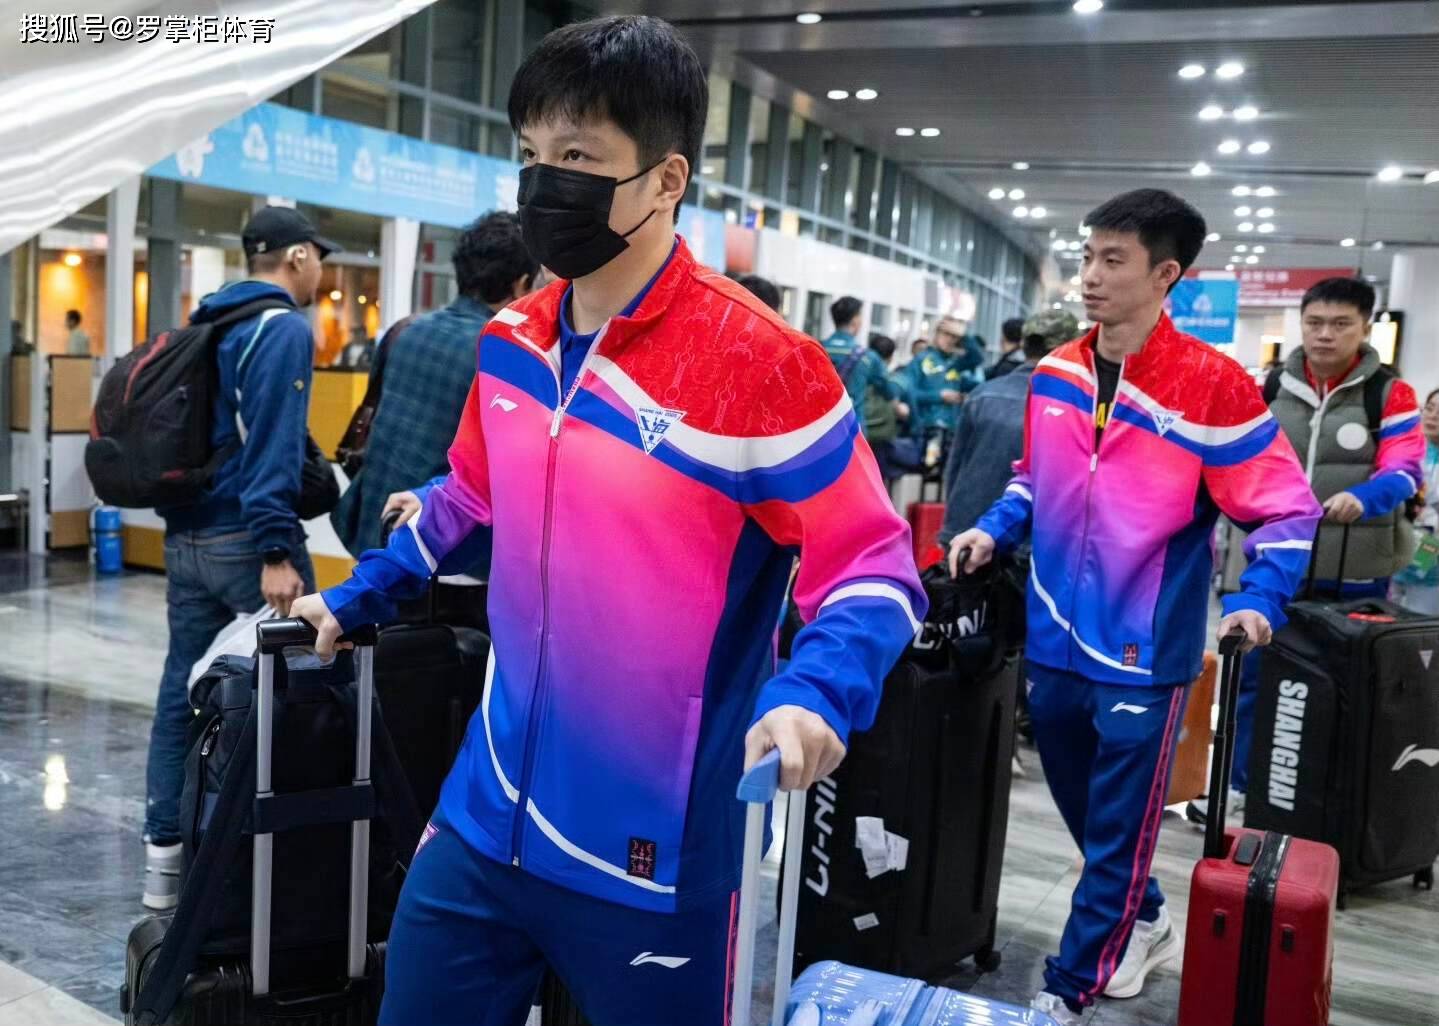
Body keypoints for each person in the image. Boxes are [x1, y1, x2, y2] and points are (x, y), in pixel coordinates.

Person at [290, 17, 925, 1025]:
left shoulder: (761, 365)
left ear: (665, 179)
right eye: (531, 154)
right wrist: (359, 593)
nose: (546, 184)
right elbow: (465, 494)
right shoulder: (510, 341)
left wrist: (815, 692)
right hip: (486, 812)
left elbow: (873, 568)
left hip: (656, 852)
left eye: (578, 157)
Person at [948, 188, 1320, 1024]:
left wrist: (1258, 597)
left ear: (1165, 275)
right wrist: (992, 528)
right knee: (1085, 811)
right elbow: (1032, 480)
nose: (1089, 275)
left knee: (1117, 831)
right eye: (1086, 256)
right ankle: (1143, 918)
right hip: (1052, 638)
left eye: (1111, 260)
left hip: (1143, 650)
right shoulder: (1055, 372)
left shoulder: (1211, 388)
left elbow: (1285, 508)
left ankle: (1068, 988)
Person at [141, 205, 337, 910]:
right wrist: (277, 547)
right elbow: (272, 448)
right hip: (248, 542)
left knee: (181, 686)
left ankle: (165, 859)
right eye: (319, 257)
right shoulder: (280, 327)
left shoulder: (211, 320)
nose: (321, 272)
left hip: (187, 534)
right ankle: (266, 865)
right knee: (300, 686)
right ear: (296, 257)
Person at [1216, 277, 1425, 812]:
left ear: (1364, 328)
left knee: (1347, 685)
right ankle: (1242, 785)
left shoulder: (1390, 394)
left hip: (1354, 570)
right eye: (1314, 323)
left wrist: (1365, 496)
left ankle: (1332, 797)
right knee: (1254, 676)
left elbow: (1406, 471)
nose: (1324, 335)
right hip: (1272, 567)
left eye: (1340, 324)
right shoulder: (1268, 388)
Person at [331, 211, 537, 562]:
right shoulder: (501, 356)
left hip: (374, 528)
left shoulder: (404, 331)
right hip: (435, 553)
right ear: (521, 284)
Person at [938, 309, 1077, 551]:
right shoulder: (1072, 405)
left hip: (965, 537)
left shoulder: (983, 394)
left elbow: (955, 466)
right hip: (1025, 545)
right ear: (1070, 348)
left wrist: (952, 528)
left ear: (1023, 344)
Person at [902, 311, 985, 451]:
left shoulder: (955, 362)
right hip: (928, 428)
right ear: (936, 334)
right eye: (946, 334)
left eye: (955, 337)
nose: (950, 340)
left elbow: (977, 357)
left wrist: (964, 335)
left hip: (952, 429)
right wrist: (939, 396)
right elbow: (908, 394)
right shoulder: (921, 360)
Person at [1391, 389, 1439, 614]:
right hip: (1396, 551)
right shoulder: (1407, 449)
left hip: (1433, 570)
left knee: (1420, 626)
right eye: (1430, 408)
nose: (1433, 416)